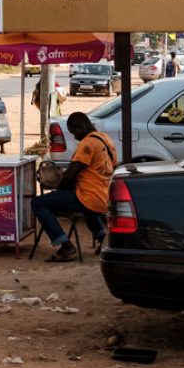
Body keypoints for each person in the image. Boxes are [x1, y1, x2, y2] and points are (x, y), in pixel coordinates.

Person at [32, 112, 117, 262]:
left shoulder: (88, 144)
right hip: (103, 197)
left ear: (81, 127)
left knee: (38, 203)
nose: (75, 137)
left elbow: (70, 176)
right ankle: (101, 236)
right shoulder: (106, 140)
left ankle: (66, 246)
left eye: (74, 132)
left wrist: (58, 187)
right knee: (79, 196)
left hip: (88, 198)